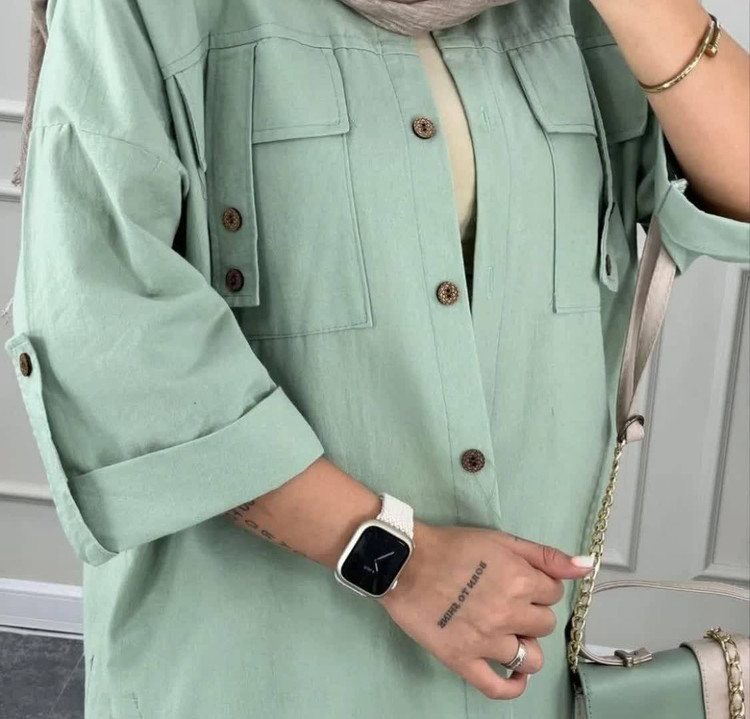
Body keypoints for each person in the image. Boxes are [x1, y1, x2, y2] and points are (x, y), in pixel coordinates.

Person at [5, 0, 749, 717]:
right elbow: (103, 326)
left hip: (516, 660)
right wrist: (399, 560)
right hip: (257, 665)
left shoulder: (570, 12)